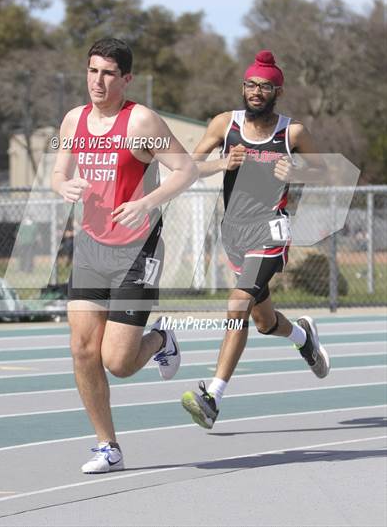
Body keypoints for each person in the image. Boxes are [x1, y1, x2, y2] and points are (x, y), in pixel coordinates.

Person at [51, 37, 198, 472]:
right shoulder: (72, 120)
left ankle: (160, 339)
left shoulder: (141, 122)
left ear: (126, 78)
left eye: (108, 73)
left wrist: (146, 203)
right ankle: (107, 446)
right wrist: (63, 185)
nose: (98, 80)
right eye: (92, 70)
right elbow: (59, 171)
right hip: (91, 247)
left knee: (116, 362)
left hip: (137, 250)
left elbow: (186, 169)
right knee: (82, 350)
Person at [181, 50, 330, 429]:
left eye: (265, 87)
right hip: (234, 233)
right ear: (243, 87)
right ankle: (302, 336)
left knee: (236, 303)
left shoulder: (291, 132)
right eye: (250, 85)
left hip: (271, 229)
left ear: (277, 90)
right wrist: (221, 164)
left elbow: (324, 172)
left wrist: (296, 171)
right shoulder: (223, 125)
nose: (256, 92)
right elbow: (188, 168)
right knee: (263, 322)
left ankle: (213, 395)